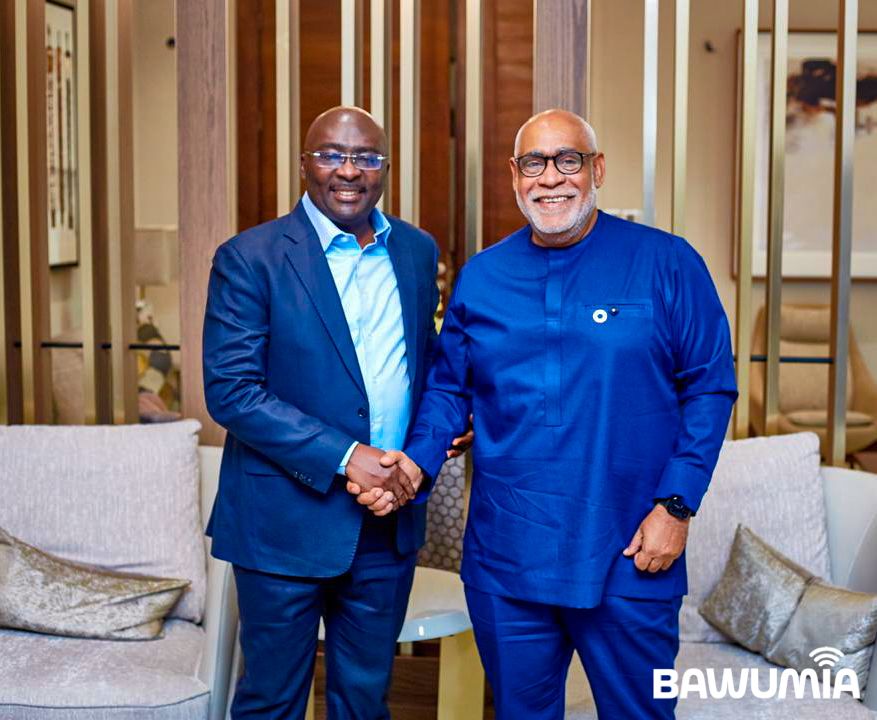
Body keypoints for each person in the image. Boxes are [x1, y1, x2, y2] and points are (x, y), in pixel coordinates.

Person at [367, 109, 738, 718]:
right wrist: (415, 463)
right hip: (508, 558)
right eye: (534, 163)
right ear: (515, 176)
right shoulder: (482, 278)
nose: (551, 178)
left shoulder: (667, 263)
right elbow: (448, 391)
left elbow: (710, 388)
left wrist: (677, 506)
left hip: (630, 553)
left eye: (568, 160)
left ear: (597, 170)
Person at [202, 106, 469, 719]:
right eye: (331, 154)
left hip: (387, 522)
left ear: (385, 169)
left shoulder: (415, 250)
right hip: (282, 524)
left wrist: (429, 444)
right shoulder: (251, 257)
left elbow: (423, 365)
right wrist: (349, 457)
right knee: (272, 700)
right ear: (303, 163)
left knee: (366, 699)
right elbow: (232, 391)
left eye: (367, 157)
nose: (349, 171)